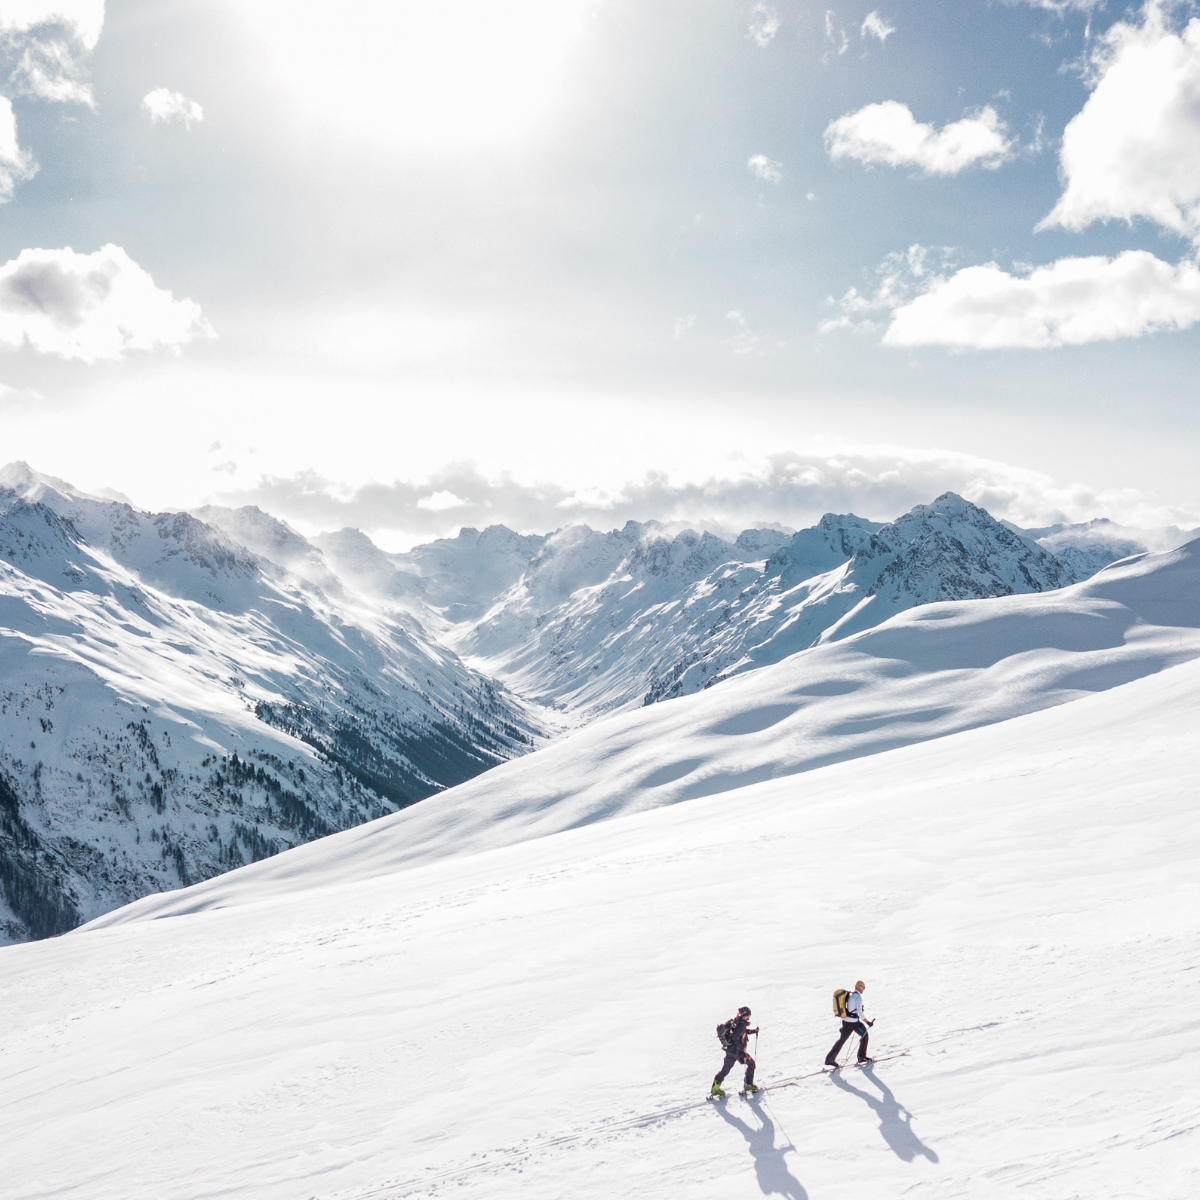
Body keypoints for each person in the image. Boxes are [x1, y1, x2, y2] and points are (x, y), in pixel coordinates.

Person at [711, 1005, 760, 1097]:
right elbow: (736, 1036)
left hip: (730, 1051)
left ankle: (715, 1089)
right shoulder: (741, 1024)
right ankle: (748, 1085)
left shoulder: (736, 1022)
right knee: (751, 1063)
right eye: (749, 1015)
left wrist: (753, 1031)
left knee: (725, 1070)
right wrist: (740, 1047)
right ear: (746, 1015)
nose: (749, 1017)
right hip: (738, 1052)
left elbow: (742, 1032)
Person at [825, 980, 874, 1067]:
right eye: (863, 987)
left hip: (845, 1021)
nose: (863, 989)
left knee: (842, 1040)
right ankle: (861, 1057)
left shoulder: (850, 995)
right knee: (865, 1035)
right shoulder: (858, 998)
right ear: (860, 987)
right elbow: (859, 1012)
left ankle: (829, 1059)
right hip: (853, 1023)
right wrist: (868, 1022)